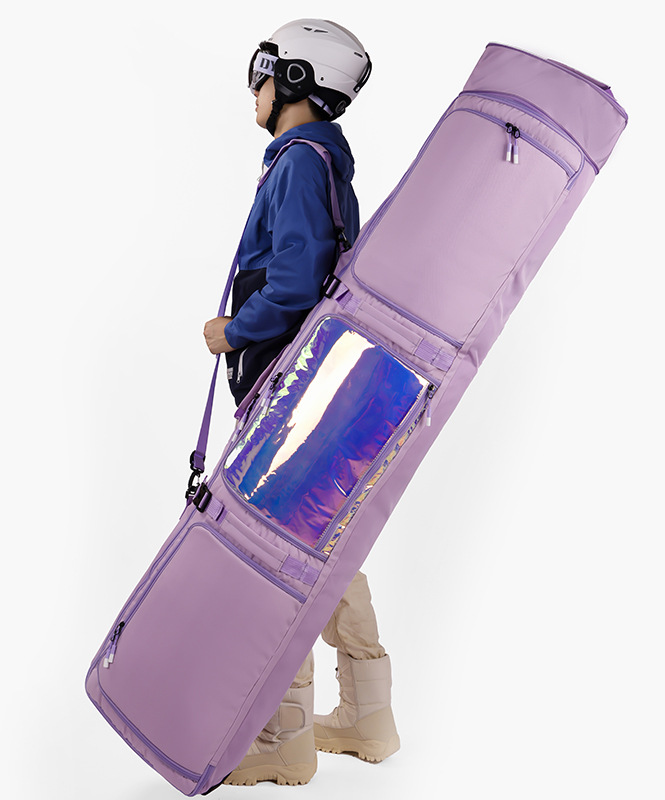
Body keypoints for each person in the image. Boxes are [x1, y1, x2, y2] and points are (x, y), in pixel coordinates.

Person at [202, 19, 400, 787]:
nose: (253, 85)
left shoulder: (296, 164)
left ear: (294, 79)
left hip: (285, 387)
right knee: (327, 545)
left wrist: (231, 331)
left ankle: (284, 737)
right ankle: (366, 716)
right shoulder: (322, 163)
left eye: (265, 68)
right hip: (315, 383)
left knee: (277, 554)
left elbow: (292, 284)